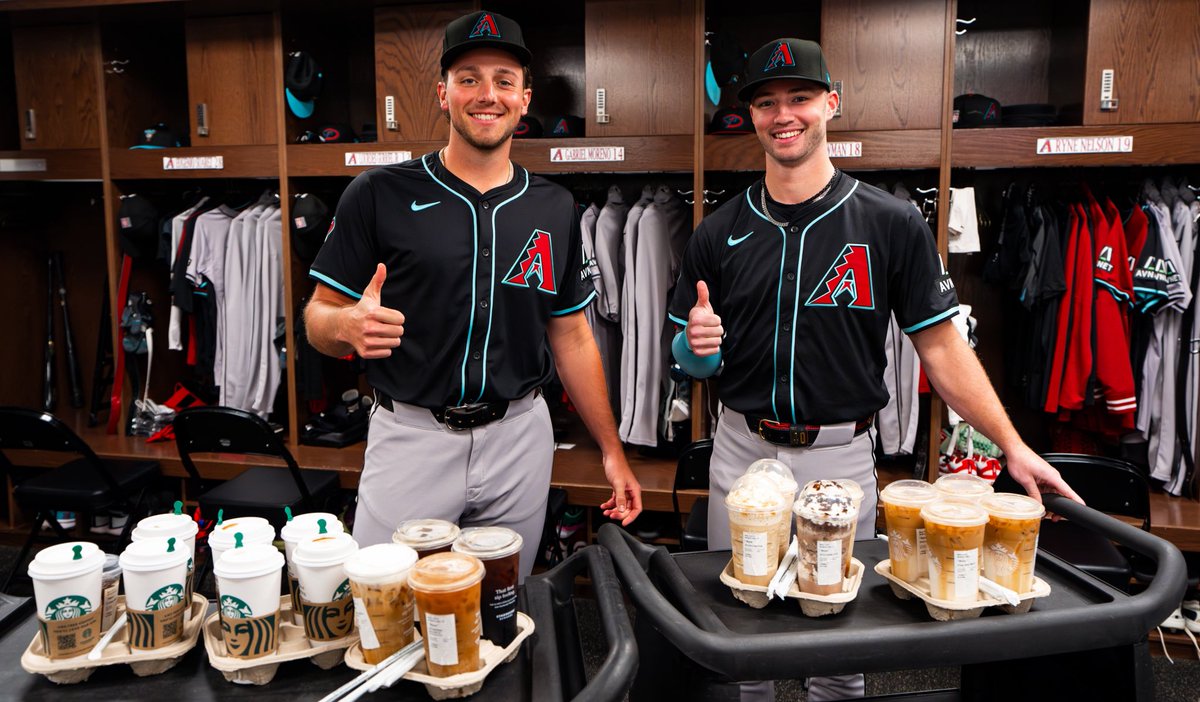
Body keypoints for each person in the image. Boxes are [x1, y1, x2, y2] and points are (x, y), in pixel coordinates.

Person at [669, 38, 1083, 701]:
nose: (784, 115)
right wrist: (698, 349)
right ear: (750, 118)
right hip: (741, 451)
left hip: (840, 455)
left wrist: (1013, 447)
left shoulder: (889, 222)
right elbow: (687, 357)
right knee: (740, 633)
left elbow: (944, 348)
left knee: (838, 640)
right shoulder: (717, 232)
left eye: (800, 98)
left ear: (831, 104)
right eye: (767, 103)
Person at [304, 10, 641, 580]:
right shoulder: (379, 192)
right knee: (384, 605)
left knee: (501, 610)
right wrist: (345, 327)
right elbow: (317, 316)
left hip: (519, 439)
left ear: (524, 98)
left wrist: (611, 450)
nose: (488, 95)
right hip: (412, 437)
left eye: (504, 81)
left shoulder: (555, 207)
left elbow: (572, 334)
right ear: (443, 93)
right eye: (469, 78)